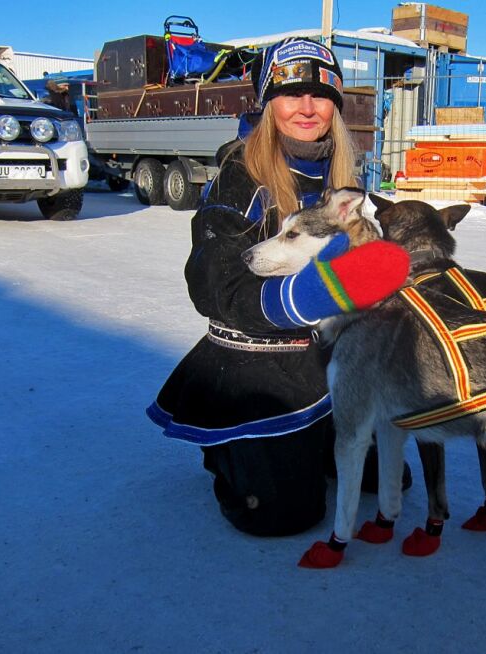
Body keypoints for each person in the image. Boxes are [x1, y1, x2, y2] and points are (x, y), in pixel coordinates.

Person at [147, 38, 411, 536]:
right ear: (269, 103)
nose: (307, 108)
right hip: (259, 361)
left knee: (390, 480)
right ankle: (230, 449)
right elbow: (213, 286)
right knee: (283, 513)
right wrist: (313, 293)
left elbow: (397, 240)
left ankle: (311, 440)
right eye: (291, 94)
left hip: (331, 356)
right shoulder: (239, 176)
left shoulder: (341, 179)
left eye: (320, 94)